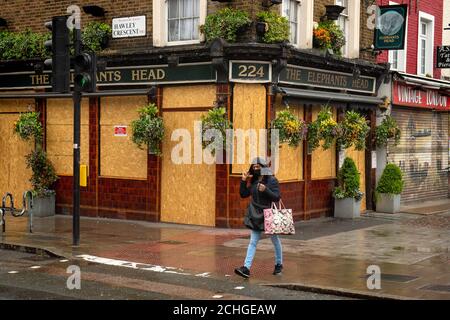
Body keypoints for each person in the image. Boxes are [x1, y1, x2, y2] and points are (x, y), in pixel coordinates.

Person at [234, 157, 283, 279]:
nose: (256, 169)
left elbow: (277, 197)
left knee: (275, 240)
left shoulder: (272, 180)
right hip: (256, 214)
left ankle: (279, 264)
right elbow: (243, 194)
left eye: (258, 166)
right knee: (253, 242)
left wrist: (266, 190)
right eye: (254, 167)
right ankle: (246, 268)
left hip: (268, 214)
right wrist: (243, 181)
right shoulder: (255, 181)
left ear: (263, 167)